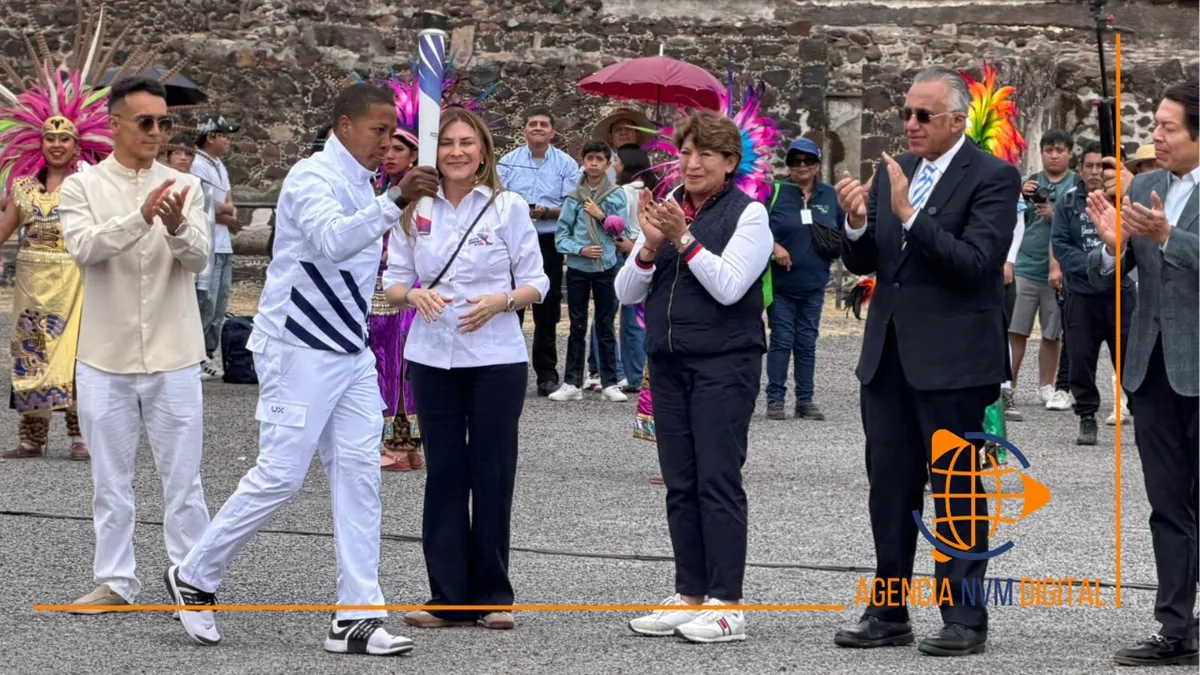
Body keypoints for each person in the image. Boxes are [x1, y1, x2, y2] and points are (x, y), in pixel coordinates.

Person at [164, 82, 439, 655]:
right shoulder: (310, 177)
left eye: (393, 134)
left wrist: (395, 202)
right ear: (344, 126)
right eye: (378, 131)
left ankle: (356, 615)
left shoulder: (367, 183)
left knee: (361, 478)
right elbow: (333, 242)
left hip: (350, 351)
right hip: (296, 347)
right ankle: (194, 574)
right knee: (282, 474)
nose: (388, 144)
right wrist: (395, 201)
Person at [832, 66, 1019, 656]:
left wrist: (913, 215)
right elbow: (873, 260)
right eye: (906, 113)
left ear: (957, 121)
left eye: (922, 116)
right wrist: (858, 222)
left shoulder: (993, 176)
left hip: (956, 363)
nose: (909, 124)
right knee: (889, 490)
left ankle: (964, 617)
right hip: (888, 357)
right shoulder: (899, 171)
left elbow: (975, 263)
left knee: (957, 490)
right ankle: (889, 611)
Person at [382, 107, 549, 630]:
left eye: (467, 143)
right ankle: (448, 596)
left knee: (492, 472)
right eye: (447, 143)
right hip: (432, 358)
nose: (457, 151)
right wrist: (413, 295)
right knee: (446, 475)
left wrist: (501, 302)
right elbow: (391, 281)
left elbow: (537, 282)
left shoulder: (508, 207)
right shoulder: (413, 211)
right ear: (435, 152)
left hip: (496, 359)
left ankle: (495, 593)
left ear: (483, 151)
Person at [57, 76, 213, 612]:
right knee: (110, 479)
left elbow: (200, 260)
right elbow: (84, 248)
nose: (156, 131)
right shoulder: (81, 186)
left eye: (165, 122)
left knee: (184, 480)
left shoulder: (187, 185)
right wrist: (140, 216)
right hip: (105, 356)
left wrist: (173, 228)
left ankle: (192, 580)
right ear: (115, 124)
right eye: (145, 121)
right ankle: (117, 581)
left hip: (174, 353)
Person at [617, 109, 773, 644]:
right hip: (669, 362)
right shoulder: (668, 213)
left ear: (729, 163)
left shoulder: (749, 215)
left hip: (725, 363)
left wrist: (684, 240)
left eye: (706, 153)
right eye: (685, 152)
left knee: (718, 480)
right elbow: (626, 294)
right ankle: (689, 593)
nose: (693, 162)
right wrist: (650, 244)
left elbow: (730, 287)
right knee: (680, 482)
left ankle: (726, 602)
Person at [1087, 78, 1198, 668]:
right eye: (1153, 125)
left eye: (1167, 127)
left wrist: (1170, 237)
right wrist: (1112, 245)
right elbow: (1114, 264)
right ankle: (1175, 627)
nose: (1155, 137)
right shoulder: (1149, 185)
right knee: (1166, 503)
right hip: (1150, 367)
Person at [0, 77, 107, 460]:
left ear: (78, 146)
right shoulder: (24, 188)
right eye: (50, 138)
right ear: (40, 144)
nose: (57, 144)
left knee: (75, 357)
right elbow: (5, 229)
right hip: (31, 287)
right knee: (31, 353)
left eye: (65, 139)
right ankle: (32, 438)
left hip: (76, 283)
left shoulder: (88, 186)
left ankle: (82, 438)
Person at [1050, 142, 1134, 446]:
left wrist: (1114, 266)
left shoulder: (1128, 200)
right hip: (1081, 295)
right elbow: (1060, 244)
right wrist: (1095, 265)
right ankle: (1087, 415)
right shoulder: (1068, 203)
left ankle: (1139, 412)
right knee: (1081, 359)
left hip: (1120, 292)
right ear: (1080, 169)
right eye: (1091, 166)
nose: (1097, 172)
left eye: (1104, 166)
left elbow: (1136, 245)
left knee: (1129, 357)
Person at [497, 106, 580, 396]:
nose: (538, 128)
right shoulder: (507, 163)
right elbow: (497, 200)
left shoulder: (567, 164)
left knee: (548, 305)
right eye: (532, 123)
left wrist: (547, 212)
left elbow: (573, 204)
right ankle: (509, 367)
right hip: (514, 241)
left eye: (544, 124)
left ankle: (546, 374)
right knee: (512, 303)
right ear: (524, 130)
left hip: (549, 241)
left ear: (552, 131)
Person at [764, 137, 844, 421]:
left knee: (807, 342)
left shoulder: (830, 195)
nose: (801, 166)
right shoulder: (773, 191)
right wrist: (774, 248)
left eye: (808, 160)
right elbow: (754, 229)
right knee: (783, 339)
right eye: (795, 160)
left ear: (817, 165)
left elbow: (846, 227)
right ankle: (775, 400)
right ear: (788, 164)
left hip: (814, 283)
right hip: (781, 283)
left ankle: (805, 401)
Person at [549, 140, 629, 402]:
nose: (594, 164)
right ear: (582, 162)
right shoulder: (574, 198)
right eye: (589, 158)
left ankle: (610, 382)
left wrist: (600, 215)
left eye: (599, 159)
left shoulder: (616, 195)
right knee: (577, 325)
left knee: (605, 325)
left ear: (607, 164)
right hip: (578, 268)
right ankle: (572, 382)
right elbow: (561, 236)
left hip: (606, 268)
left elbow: (621, 230)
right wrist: (580, 250)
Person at [1005, 129, 1075, 420]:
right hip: (1024, 265)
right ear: (1041, 152)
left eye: (1060, 150)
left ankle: (1047, 385)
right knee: (1016, 330)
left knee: (1052, 332)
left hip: (1058, 270)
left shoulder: (1077, 186)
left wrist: (1056, 213)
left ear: (1070, 154)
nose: (1054, 154)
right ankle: (1008, 385)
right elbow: (1009, 216)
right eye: (1049, 149)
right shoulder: (1028, 183)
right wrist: (1022, 195)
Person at [374, 124, 423, 471]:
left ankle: (402, 446)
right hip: (376, 287)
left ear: (415, 156)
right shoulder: (378, 188)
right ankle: (400, 445)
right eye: (386, 149)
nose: (389, 155)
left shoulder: (418, 196)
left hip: (405, 287)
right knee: (381, 365)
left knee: (399, 368)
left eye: (399, 150)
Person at [191, 116, 240, 381]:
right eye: (223, 135)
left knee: (220, 303)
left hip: (224, 244)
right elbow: (208, 205)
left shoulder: (219, 165)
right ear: (210, 136)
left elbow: (228, 203)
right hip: (209, 242)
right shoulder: (198, 165)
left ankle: (208, 352)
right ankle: (196, 354)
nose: (227, 140)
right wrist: (227, 211)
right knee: (204, 301)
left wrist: (227, 211)